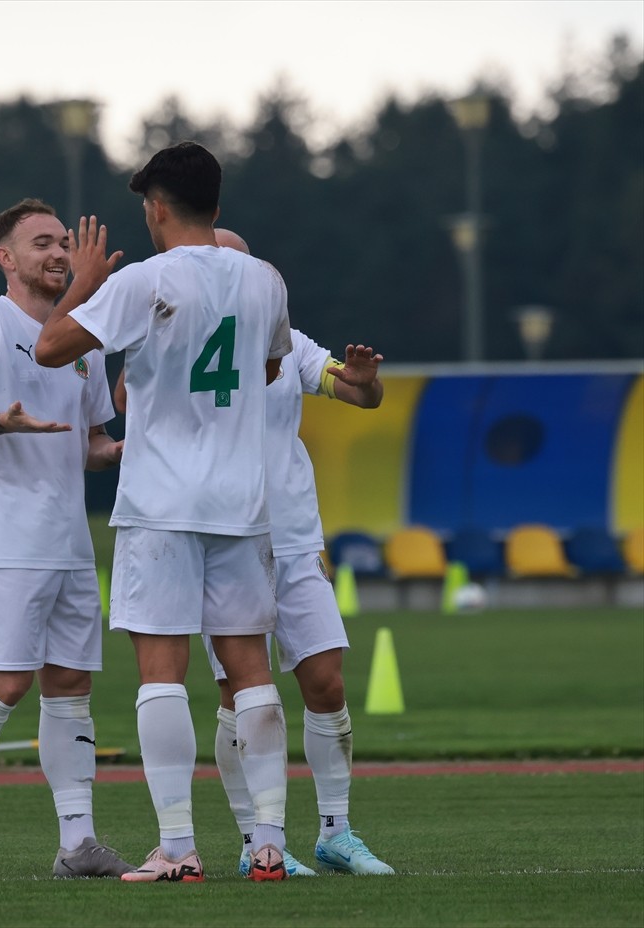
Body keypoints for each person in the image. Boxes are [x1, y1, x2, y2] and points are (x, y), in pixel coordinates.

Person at [36, 142, 294, 883]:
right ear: (216, 204)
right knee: (249, 670)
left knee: (161, 673)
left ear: (155, 207)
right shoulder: (264, 280)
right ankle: (268, 843)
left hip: (160, 502)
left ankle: (178, 846)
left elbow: (51, 348)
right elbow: (268, 366)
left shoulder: (147, 279)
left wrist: (82, 285)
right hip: (241, 500)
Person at [116, 228, 395, 878]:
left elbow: (356, 391)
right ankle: (255, 843)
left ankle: (336, 832)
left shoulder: (288, 343)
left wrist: (364, 382)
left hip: (295, 539)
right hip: (223, 537)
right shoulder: (171, 339)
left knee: (325, 681)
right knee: (236, 693)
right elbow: (125, 403)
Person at [0, 198, 130, 881]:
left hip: (65, 540)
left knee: (69, 685)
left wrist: (128, 448)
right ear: (6, 259)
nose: (59, 252)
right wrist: (0, 422)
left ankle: (77, 843)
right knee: (5, 682)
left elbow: (90, 444)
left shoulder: (81, 343)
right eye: (41, 242)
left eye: (63, 241)